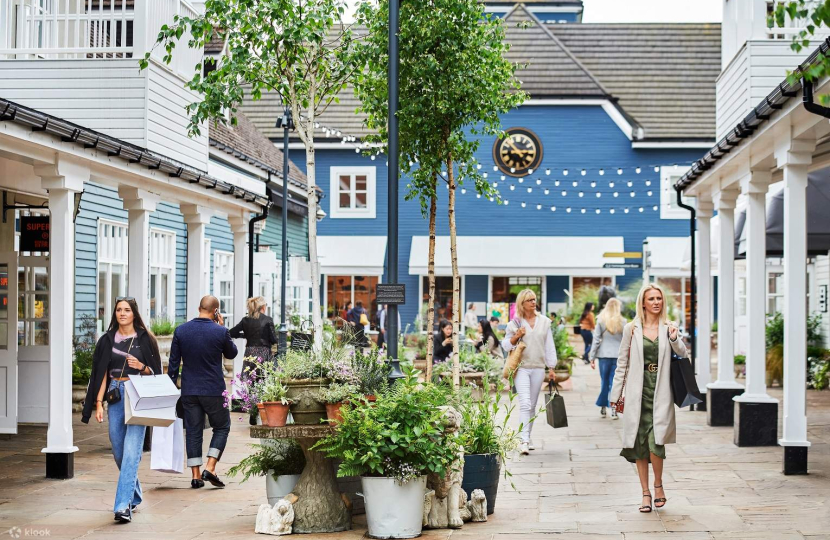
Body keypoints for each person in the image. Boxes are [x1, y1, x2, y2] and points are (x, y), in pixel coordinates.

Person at [82, 297, 162, 523]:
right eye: (118, 309)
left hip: (139, 394)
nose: (122, 313)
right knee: (118, 451)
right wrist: (98, 403)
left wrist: (142, 367)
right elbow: (100, 373)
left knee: (131, 451)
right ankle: (134, 494)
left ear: (134, 313)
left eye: (127, 310)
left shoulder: (146, 339)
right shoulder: (107, 340)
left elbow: (157, 372)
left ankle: (122, 506)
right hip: (115, 394)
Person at [610, 284, 686, 514]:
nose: (656, 302)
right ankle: (645, 493)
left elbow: (683, 354)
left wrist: (674, 339)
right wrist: (615, 395)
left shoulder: (669, 327)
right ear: (643, 302)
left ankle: (658, 485)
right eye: (651, 298)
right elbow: (622, 362)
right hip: (637, 392)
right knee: (639, 444)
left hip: (661, 391)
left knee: (656, 441)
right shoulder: (631, 329)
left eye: (659, 298)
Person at [168, 295, 239, 490]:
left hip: (189, 390)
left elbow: (173, 365)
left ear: (199, 307)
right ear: (215, 311)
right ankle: (211, 465)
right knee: (222, 426)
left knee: (193, 431)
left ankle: (196, 475)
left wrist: (170, 389)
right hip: (213, 390)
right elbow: (232, 353)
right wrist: (224, 328)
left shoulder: (181, 331)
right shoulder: (220, 331)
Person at [501, 289, 557, 456]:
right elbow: (505, 345)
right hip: (522, 368)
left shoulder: (545, 322)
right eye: (529, 300)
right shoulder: (515, 323)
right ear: (522, 303)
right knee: (525, 403)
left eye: (534, 299)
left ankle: (527, 436)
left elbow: (549, 346)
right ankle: (523, 440)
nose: (533, 302)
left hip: (538, 367)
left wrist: (551, 367)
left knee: (532, 405)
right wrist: (516, 335)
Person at [589, 297, 626, 419]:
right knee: (615, 383)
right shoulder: (623, 322)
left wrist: (592, 357)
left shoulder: (600, 321)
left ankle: (603, 407)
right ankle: (614, 409)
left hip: (603, 356)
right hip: (618, 356)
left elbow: (596, 340)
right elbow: (625, 342)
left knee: (604, 382)